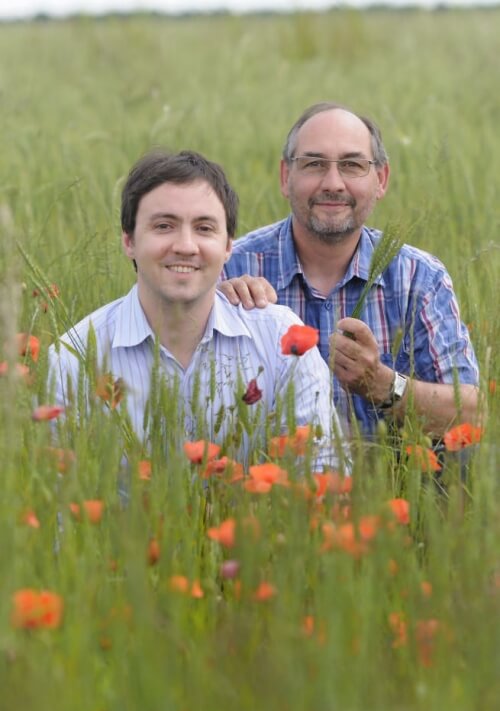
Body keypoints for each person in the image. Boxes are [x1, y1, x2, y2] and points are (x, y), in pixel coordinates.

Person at [48, 149, 348, 471]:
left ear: (228, 246)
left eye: (204, 228)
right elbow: (62, 503)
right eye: (164, 226)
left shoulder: (281, 340)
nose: (186, 246)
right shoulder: (73, 358)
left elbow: (323, 476)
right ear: (129, 241)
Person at [221, 102, 479, 438]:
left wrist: (383, 384)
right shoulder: (232, 270)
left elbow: (472, 413)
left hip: (393, 480)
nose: (333, 183)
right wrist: (217, 310)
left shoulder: (419, 278)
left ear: (380, 180)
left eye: (352, 165)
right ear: (286, 177)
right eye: (314, 164)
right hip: (267, 483)